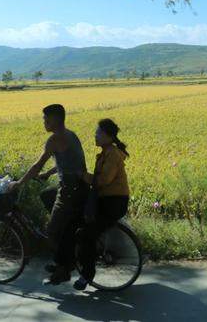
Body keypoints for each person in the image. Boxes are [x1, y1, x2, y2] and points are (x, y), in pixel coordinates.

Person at [9, 104, 88, 285]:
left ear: (55, 120)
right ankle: (65, 252)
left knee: (50, 232)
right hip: (80, 187)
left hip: (69, 191)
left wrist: (19, 183)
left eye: (46, 118)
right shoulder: (71, 135)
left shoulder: (54, 139)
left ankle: (64, 269)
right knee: (46, 196)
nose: (43, 122)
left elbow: (37, 165)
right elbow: (67, 162)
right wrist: (49, 174)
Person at [72, 118, 130, 290]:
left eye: (98, 133)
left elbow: (103, 180)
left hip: (114, 203)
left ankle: (87, 275)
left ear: (109, 136)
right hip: (106, 200)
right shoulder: (106, 152)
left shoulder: (112, 154)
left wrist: (83, 176)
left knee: (86, 234)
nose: (95, 135)